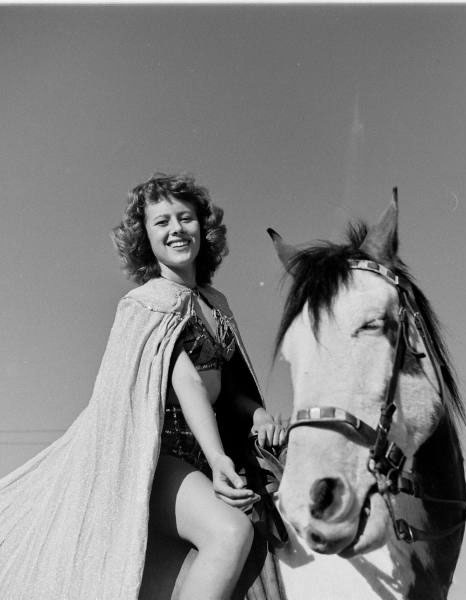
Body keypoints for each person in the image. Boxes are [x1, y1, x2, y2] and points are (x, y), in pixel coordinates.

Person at [0, 173, 286, 600]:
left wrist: (258, 414)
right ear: (145, 237)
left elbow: (227, 388)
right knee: (230, 532)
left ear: (202, 227)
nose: (176, 229)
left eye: (185, 217)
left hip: (203, 459)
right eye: (161, 222)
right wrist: (218, 459)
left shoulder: (217, 304)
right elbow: (188, 382)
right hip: (156, 459)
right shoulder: (146, 304)